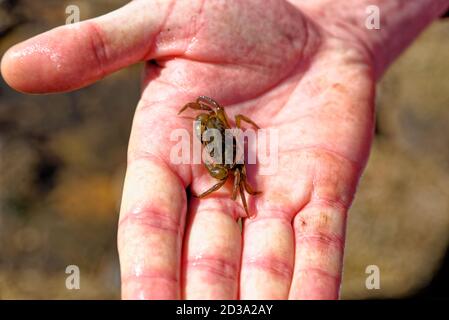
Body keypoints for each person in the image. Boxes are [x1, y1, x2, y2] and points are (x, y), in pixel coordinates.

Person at [1, 0, 448, 300]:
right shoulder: (214, 119)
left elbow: (231, 167)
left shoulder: (232, 159)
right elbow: (211, 109)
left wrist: (341, 21)